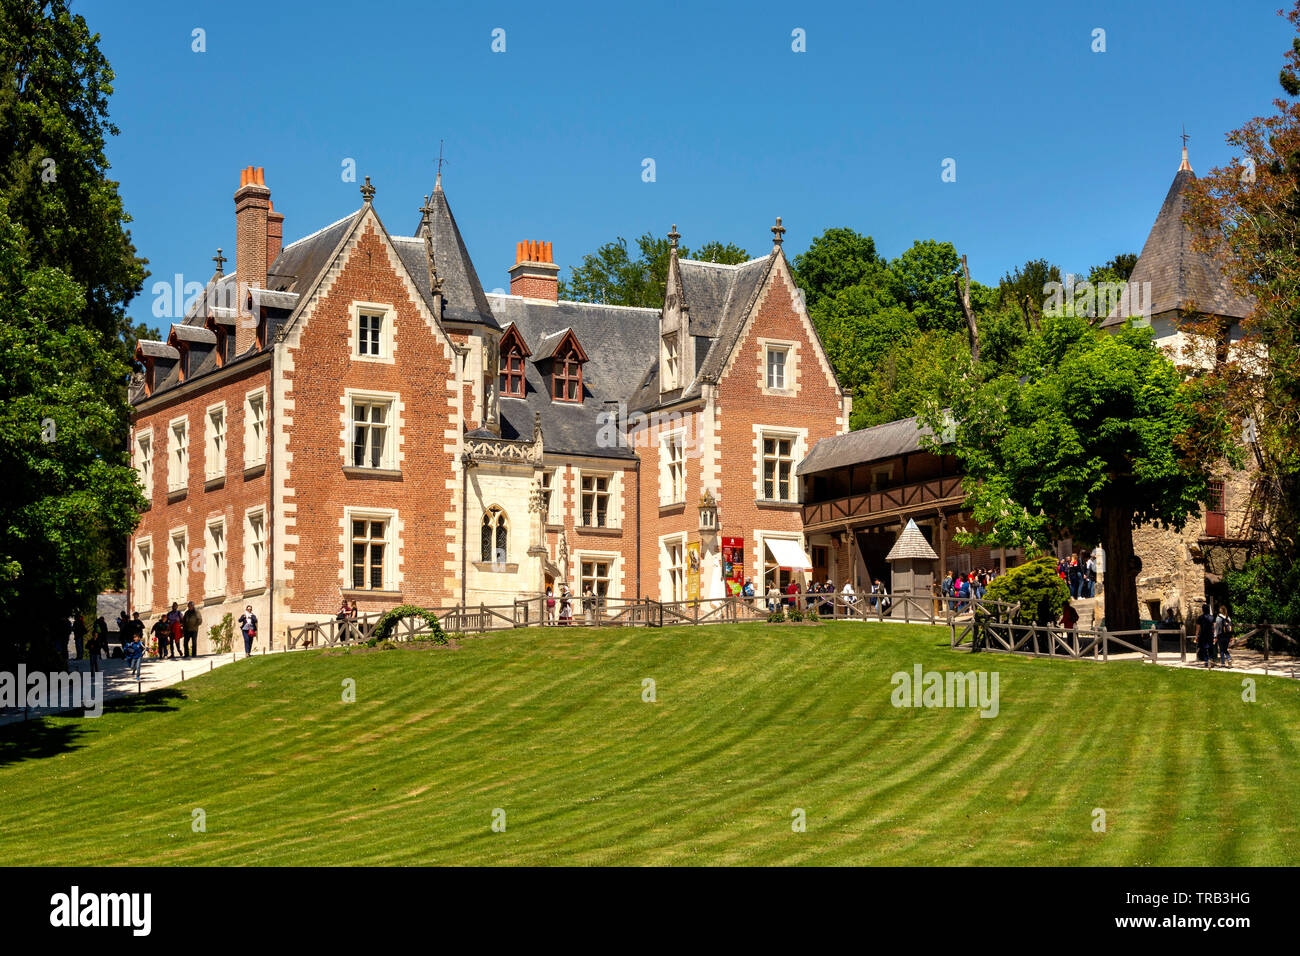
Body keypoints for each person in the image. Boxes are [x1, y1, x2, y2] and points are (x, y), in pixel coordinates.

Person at [1196, 604, 1215, 668]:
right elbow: (1214, 627)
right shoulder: (1212, 617)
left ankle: (1206, 661)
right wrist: (1215, 635)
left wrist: (1196, 636)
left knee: (1203, 648)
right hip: (1210, 634)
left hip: (1203, 634)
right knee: (1210, 648)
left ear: (1203, 609)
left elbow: (1198, 628)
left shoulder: (1200, 617)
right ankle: (1211, 660)